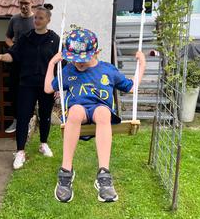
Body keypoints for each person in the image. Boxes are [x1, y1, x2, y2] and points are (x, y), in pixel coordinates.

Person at [44, 27, 146, 203]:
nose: (79, 63)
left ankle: (104, 176)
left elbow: (131, 87)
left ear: (96, 52)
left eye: (83, 59)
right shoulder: (69, 71)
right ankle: (66, 172)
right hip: (79, 112)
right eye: (74, 59)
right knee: (75, 111)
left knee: (103, 112)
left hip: (100, 111)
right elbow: (48, 88)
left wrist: (142, 64)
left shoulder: (108, 70)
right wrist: (51, 64)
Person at [0, 5, 59, 170]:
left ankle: (43, 143)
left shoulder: (55, 40)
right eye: (35, 17)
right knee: (23, 117)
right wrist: (2, 56)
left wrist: (58, 85)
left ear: (48, 20)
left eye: (41, 18)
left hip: (46, 85)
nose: (37, 20)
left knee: (45, 115)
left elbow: (60, 63)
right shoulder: (25, 38)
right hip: (26, 84)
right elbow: (13, 55)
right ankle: (20, 151)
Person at [4, 0, 35, 133]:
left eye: (26, 3)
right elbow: (8, 38)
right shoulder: (14, 19)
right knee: (13, 91)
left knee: (29, 92)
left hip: (32, 63)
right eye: (21, 3)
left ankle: (29, 120)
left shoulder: (37, 20)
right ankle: (16, 120)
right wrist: (15, 48)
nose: (23, 6)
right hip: (16, 60)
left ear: (32, 2)